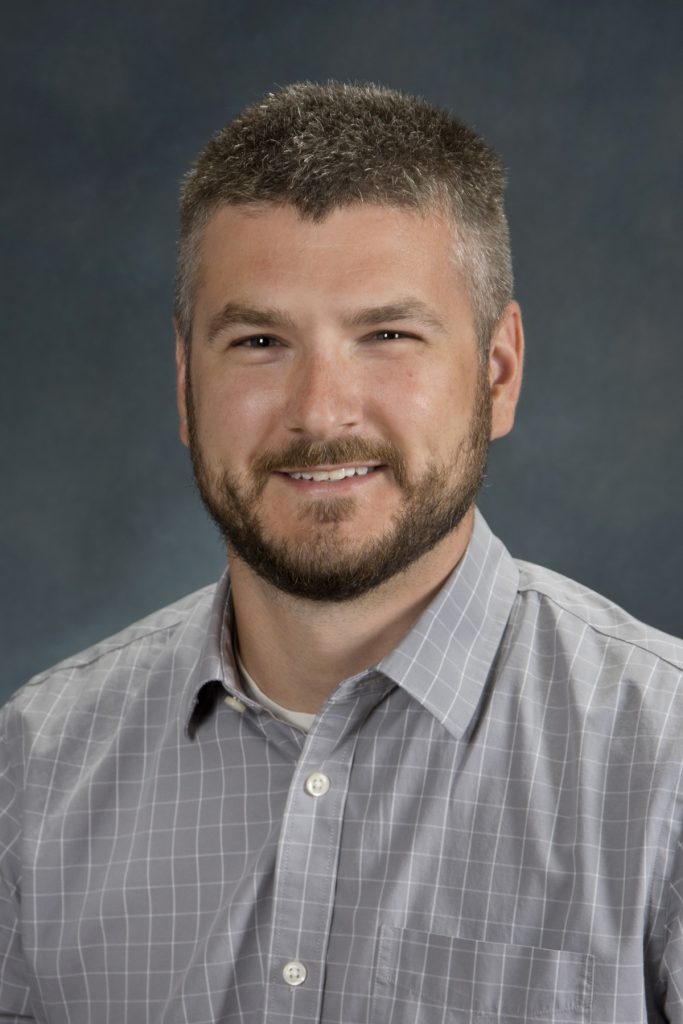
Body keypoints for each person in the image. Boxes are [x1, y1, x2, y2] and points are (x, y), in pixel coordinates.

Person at [1, 81, 682, 1024]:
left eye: (388, 335)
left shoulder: (664, 764)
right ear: (183, 378)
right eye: (258, 340)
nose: (320, 412)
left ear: (498, 371)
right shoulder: (33, 770)